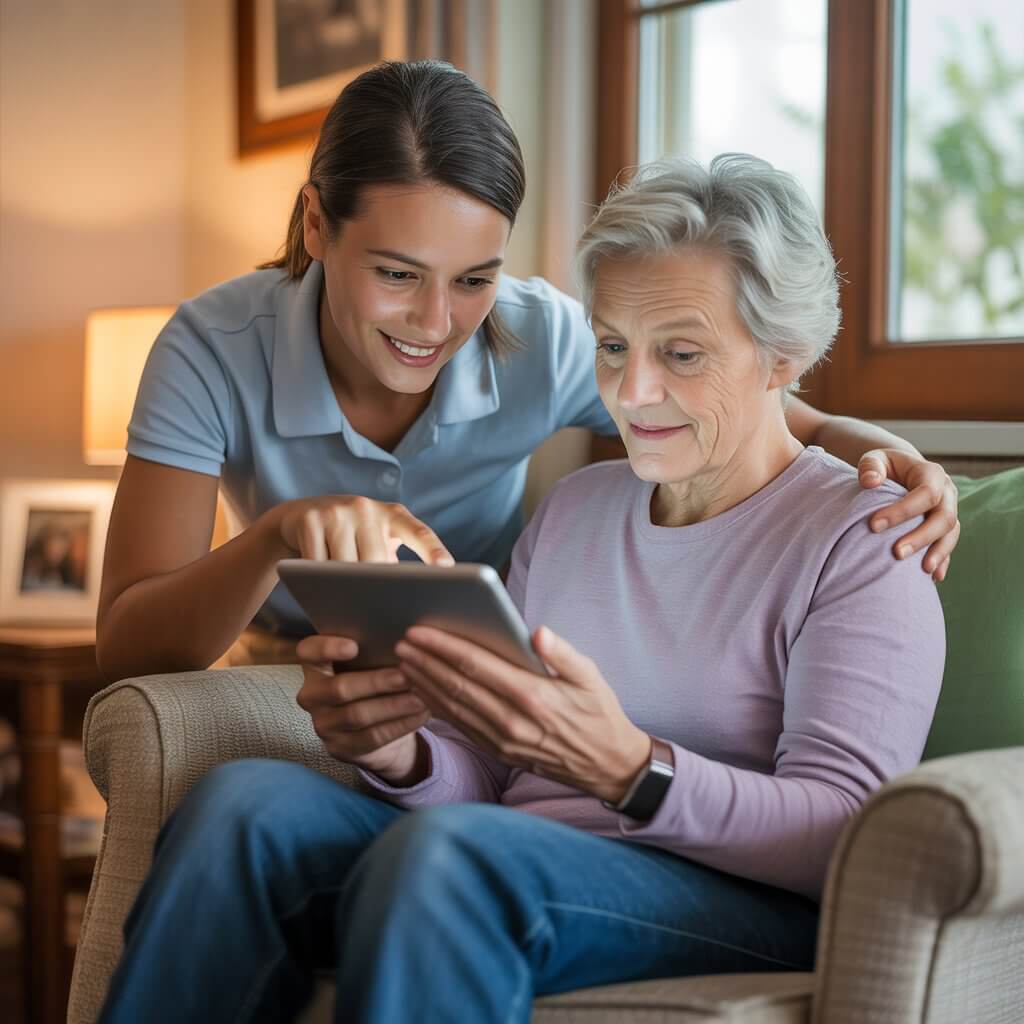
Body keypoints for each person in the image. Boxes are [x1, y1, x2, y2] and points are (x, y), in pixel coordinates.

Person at [99, 154, 946, 1023]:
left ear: (784, 356)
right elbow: (492, 776)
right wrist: (406, 755)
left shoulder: (867, 537)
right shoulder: (576, 508)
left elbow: (851, 832)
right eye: (612, 348)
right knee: (245, 809)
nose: (633, 392)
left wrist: (631, 772)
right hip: (505, 855)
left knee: (453, 859)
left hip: (733, 896)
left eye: (681, 353)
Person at [96, 60, 959, 683]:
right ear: (317, 227)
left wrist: (900, 460)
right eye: (397, 274)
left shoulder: (539, 337)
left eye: (474, 279)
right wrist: (280, 535)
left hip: (490, 666)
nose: (436, 326)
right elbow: (128, 645)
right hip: (293, 660)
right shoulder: (211, 347)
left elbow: (766, 417)